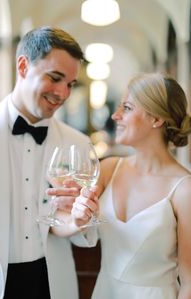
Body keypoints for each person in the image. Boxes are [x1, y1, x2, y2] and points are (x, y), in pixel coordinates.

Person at [0, 26, 98, 299]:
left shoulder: (78, 143)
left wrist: (77, 219)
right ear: (24, 66)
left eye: (70, 84)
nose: (62, 93)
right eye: (55, 78)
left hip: (51, 282)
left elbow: (60, 223)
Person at [72, 72, 191, 298]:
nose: (115, 116)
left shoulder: (184, 189)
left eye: (126, 108)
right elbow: (77, 226)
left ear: (156, 119)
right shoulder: (108, 169)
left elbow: (189, 282)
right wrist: (78, 217)